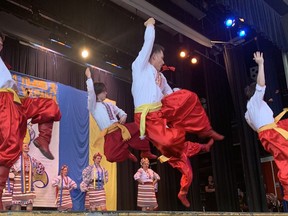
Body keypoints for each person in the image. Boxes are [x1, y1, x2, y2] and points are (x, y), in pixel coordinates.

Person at [131, 17, 224, 207]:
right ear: (154, 56)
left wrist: (179, 95)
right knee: (172, 143)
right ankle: (185, 152)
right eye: (162, 57)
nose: (163, 61)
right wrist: (149, 26)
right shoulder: (139, 66)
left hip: (161, 112)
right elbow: (147, 44)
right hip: (146, 116)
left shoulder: (161, 77)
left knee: (189, 97)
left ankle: (205, 131)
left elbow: (169, 93)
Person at [0, 32, 61, 210]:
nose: (1, 45)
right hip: (3, 102)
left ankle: (43, 138)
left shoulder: (3, 64)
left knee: (49, 105)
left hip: (16, 101)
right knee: (8, 148)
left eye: (2, 43)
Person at [85, 67, 156, 162]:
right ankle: (126, 153)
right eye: (104, 91)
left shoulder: (109, 104)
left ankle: (145, 151)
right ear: (98, 93)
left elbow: (121, 112)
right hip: (110, 134)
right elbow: (90, 93)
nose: (106, 93)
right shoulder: (93, 107)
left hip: (120, 128)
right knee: (110, 157)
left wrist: (123, 116)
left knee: (141, 127)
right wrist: (89, 78)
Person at [245, 51, 288, 202]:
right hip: (272, 133)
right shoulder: (255, 101)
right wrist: (261, 64)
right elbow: (261, 84)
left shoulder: (248, 112)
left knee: (284, 159)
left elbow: (255, 128)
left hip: (267, 135)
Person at [10, 129, 45, 211]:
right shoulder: (17, 158)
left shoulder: (31, 159)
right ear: (21, 147)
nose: (27, 147)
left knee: (29, 204)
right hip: (19, 181)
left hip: (28, 182)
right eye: (25, 145)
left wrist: (37, 172)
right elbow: (9, 165)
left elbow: (41, 167)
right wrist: (14, 172)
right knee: (17, 205)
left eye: (27, 146)